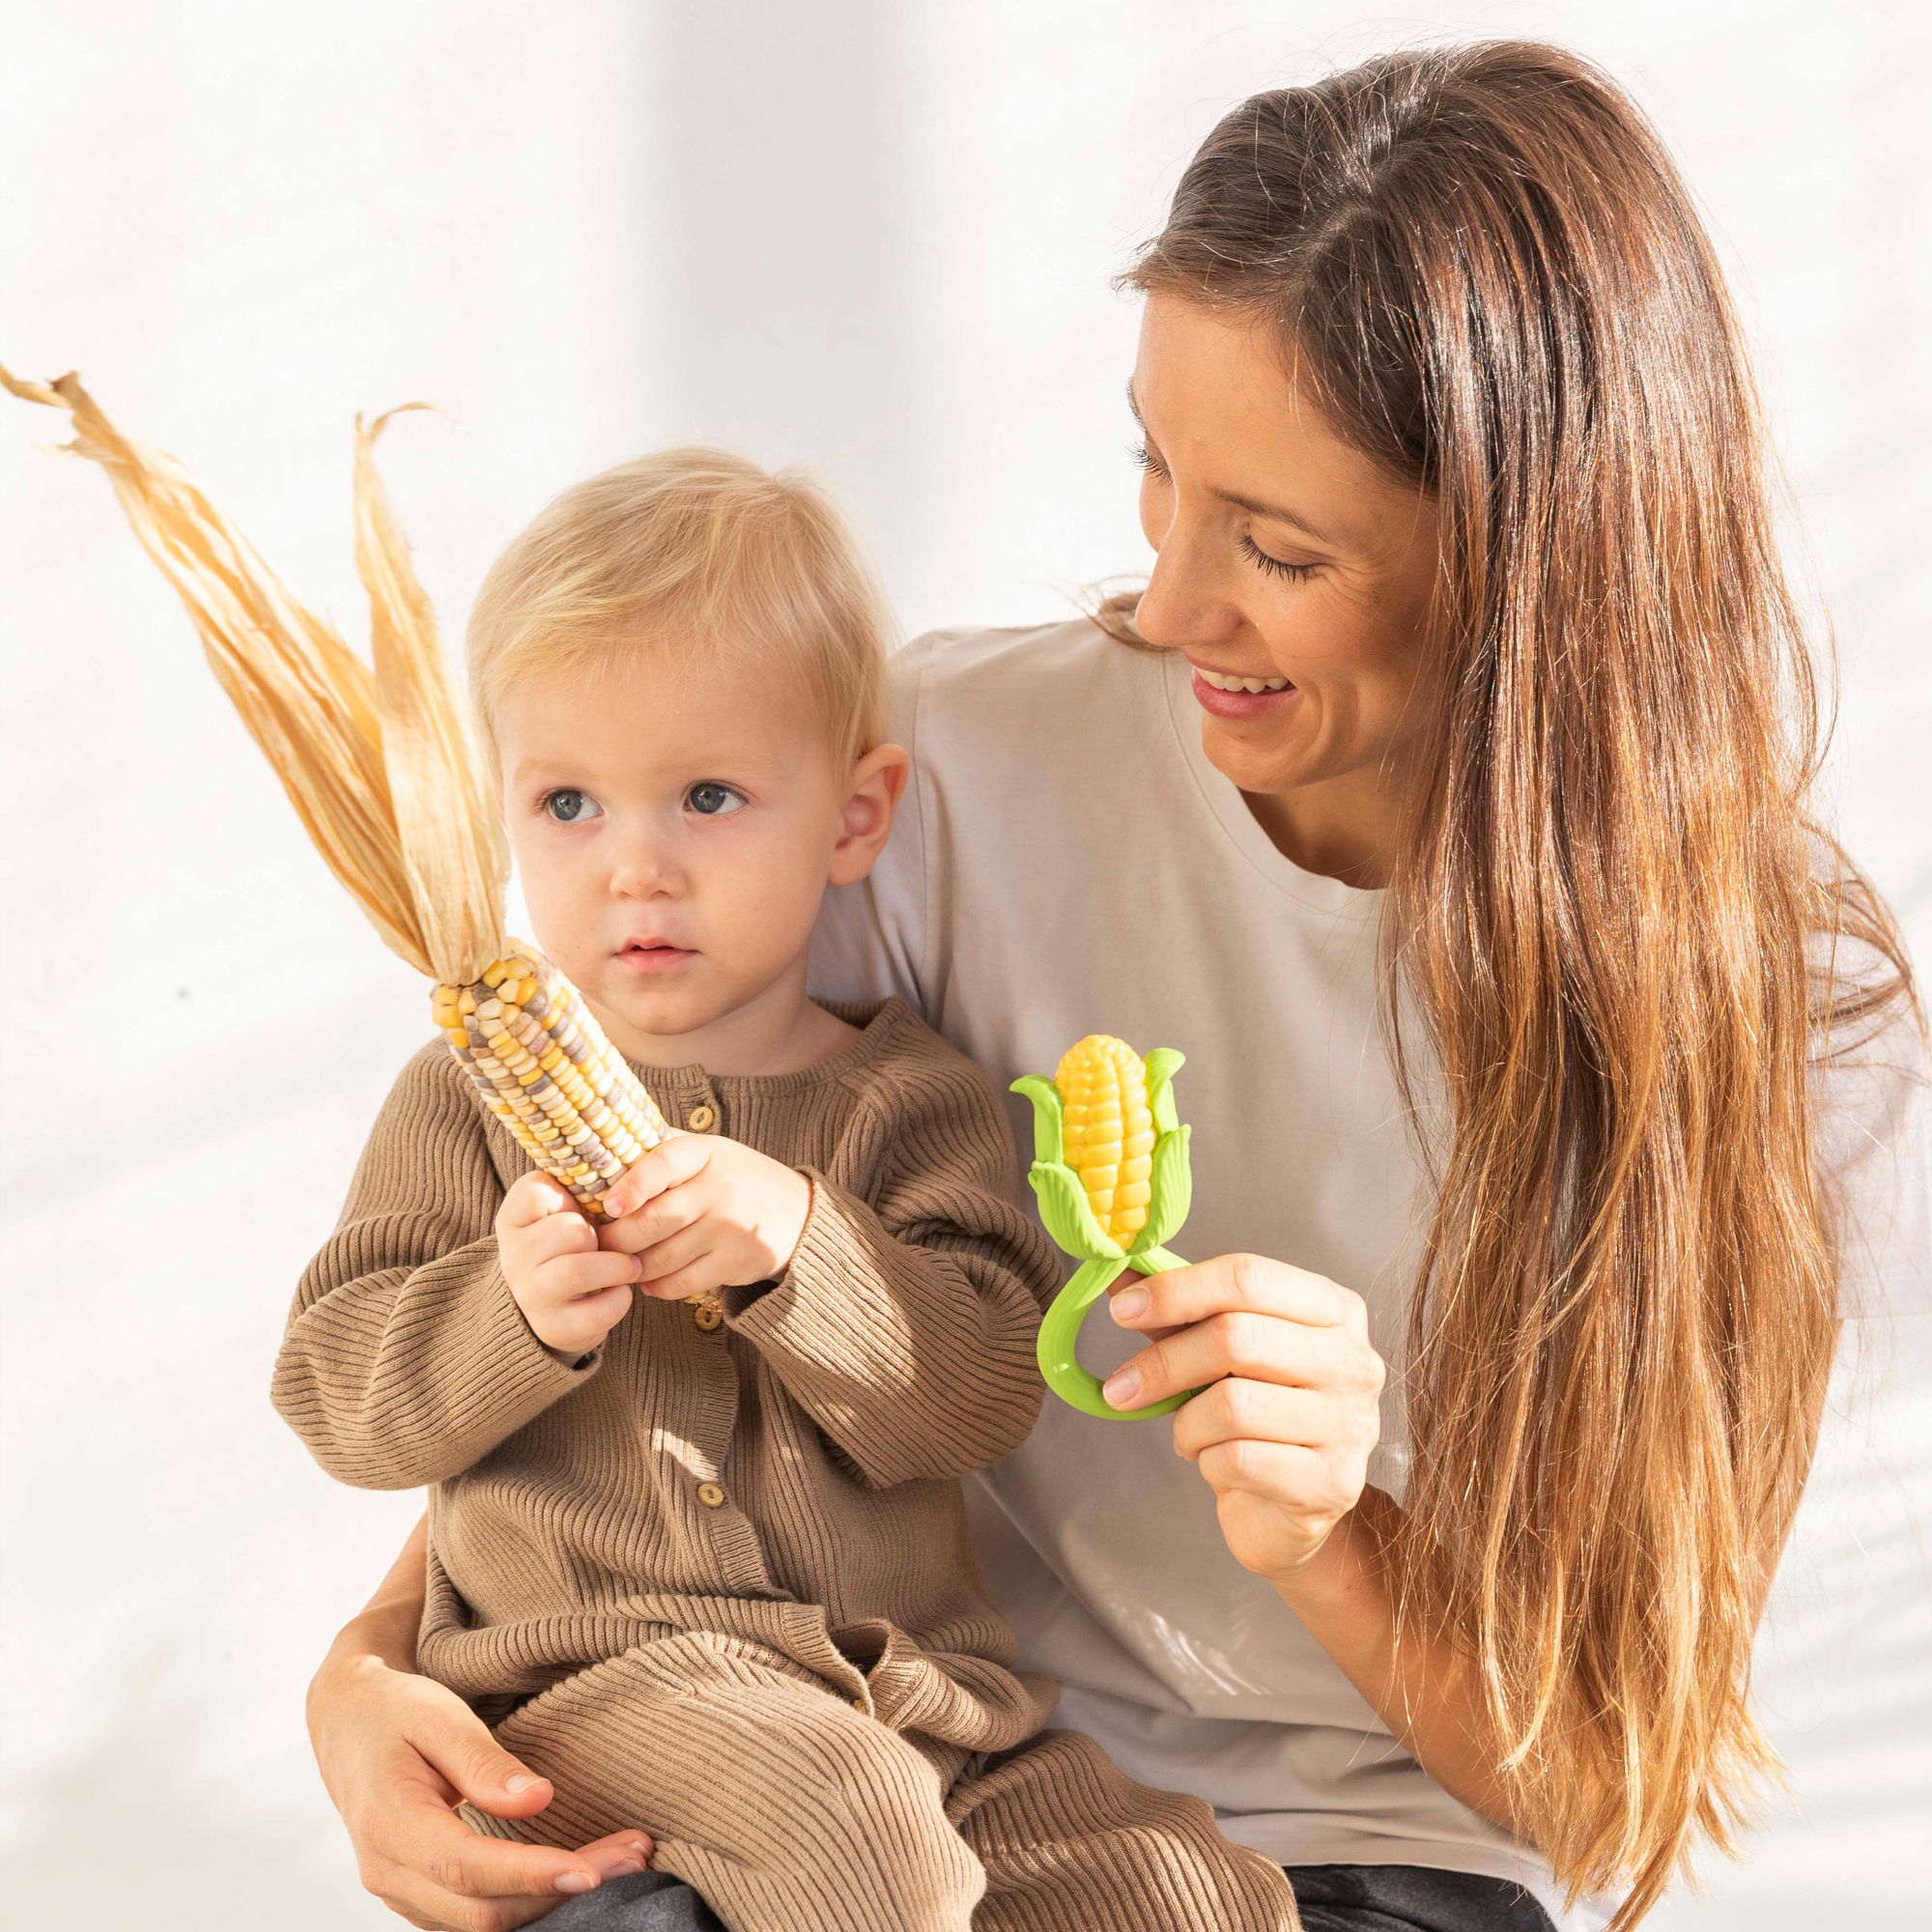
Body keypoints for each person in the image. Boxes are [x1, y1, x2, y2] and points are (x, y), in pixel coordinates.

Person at [299, 41, 1930, 1932]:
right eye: (1159, 473)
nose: (1164, 605)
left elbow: (1604, 1791)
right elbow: (662, 1260)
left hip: (1370, 1869)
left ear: (1527, 569)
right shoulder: (938, 779)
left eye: (1279, 546)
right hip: (874, 1760)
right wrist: (371, 1666)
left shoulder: (1769, 1023)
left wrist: (1330, 1537)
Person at [273, 446, 1301, 1932]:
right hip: (594, 1699)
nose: (636, 867)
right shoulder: (466, 1103)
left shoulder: (915, 1101)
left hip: (927, 1714)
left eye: (707, 796)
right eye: (568, 804)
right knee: (857, 1843)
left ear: (854, 819)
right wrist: (510, 1310)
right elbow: (336, 1399)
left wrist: (798, 1247)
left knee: (1187, 1895)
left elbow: (973, 1400)